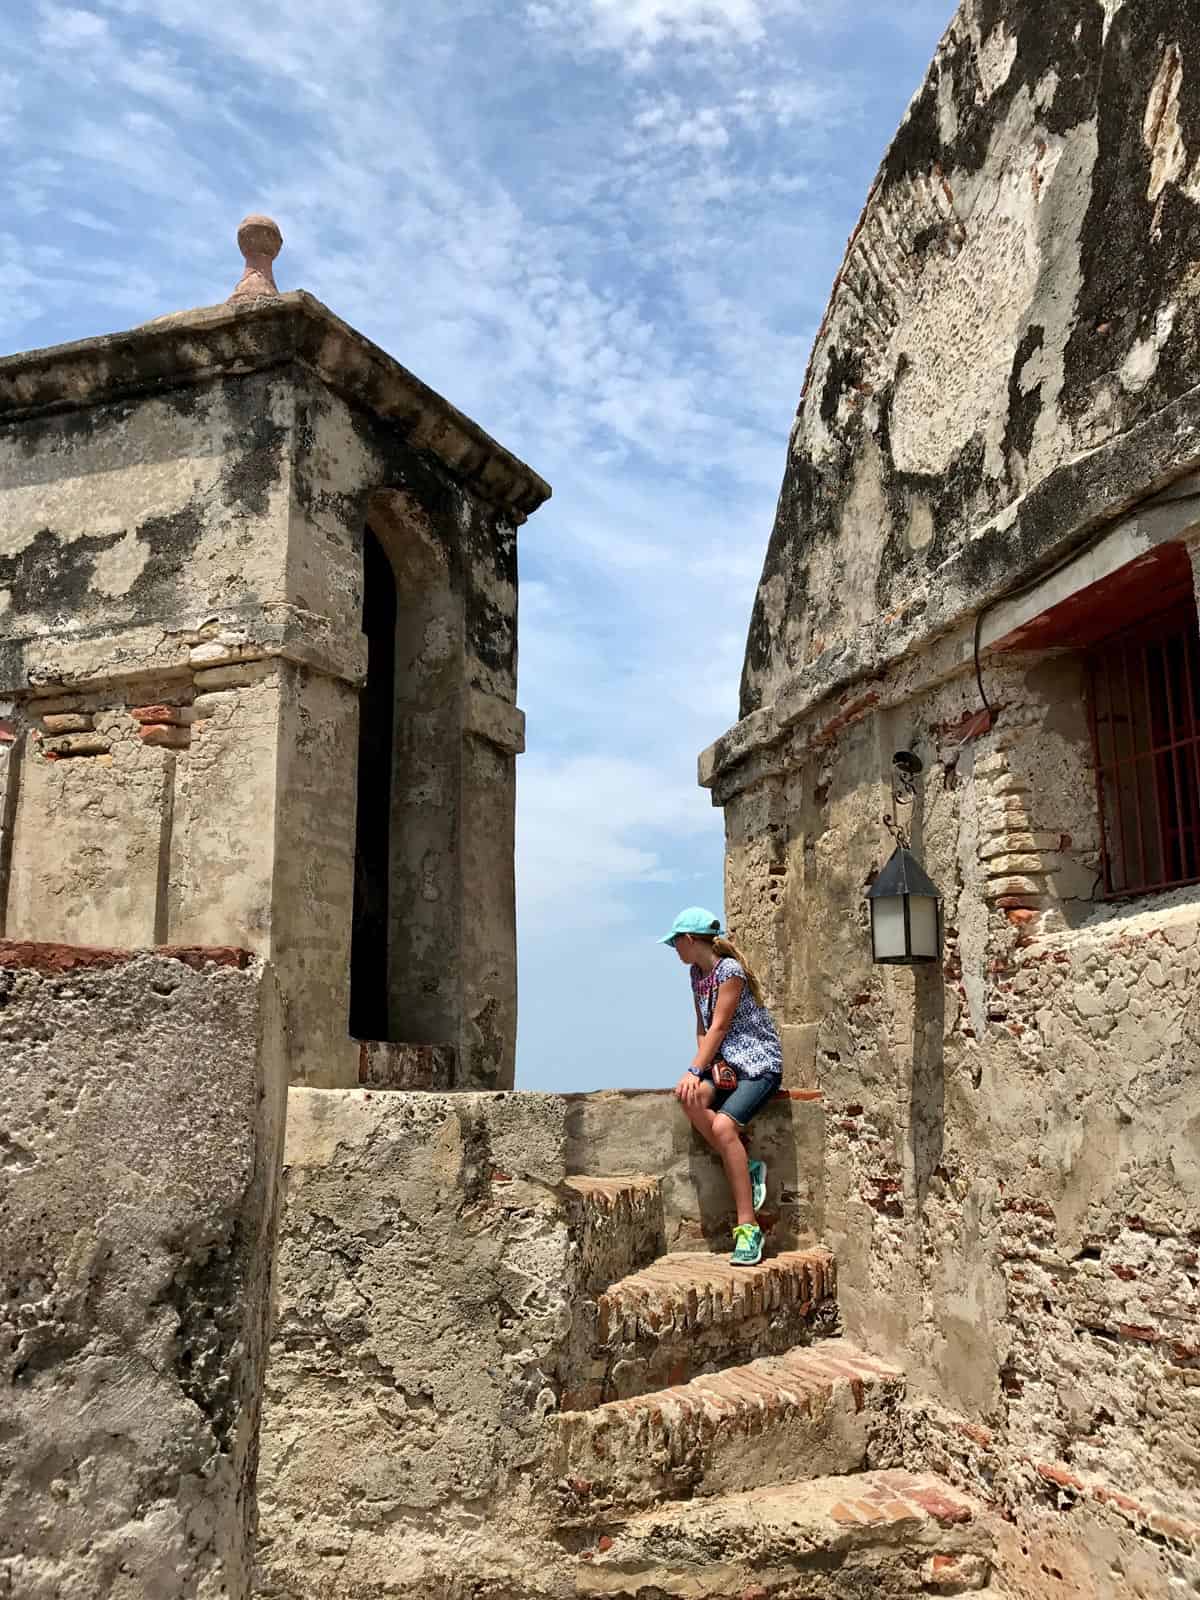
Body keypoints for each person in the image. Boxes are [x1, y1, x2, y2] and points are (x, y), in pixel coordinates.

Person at [660, 906, 783, 1267]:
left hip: (759, 1065)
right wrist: (701, 1072)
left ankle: (748, 1228)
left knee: (724, 1125)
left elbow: (720, 1026)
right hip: (726, 1065)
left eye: (675, 943)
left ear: (688, 939)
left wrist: (693, 1068)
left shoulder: (729, 972)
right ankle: (747, 1166)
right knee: (691, 1098)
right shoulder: (696, 975)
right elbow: (702, 1027)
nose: (675, 951)